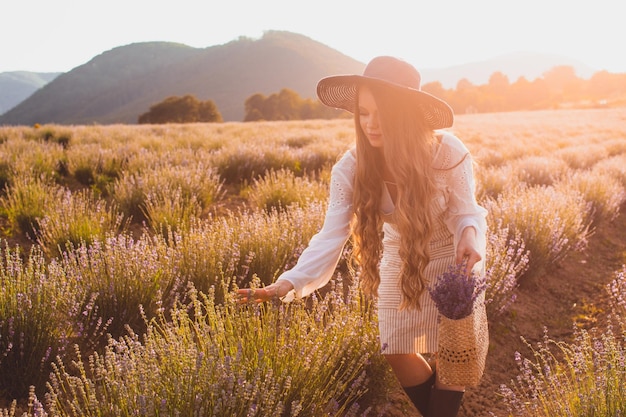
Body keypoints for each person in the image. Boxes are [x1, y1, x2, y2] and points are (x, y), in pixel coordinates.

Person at [237, 56, 487, 417]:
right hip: (401, 256)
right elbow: (330, 236)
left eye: (381, 113)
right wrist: (287, 283)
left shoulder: (446, 151)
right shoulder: (351, 167)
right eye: (363, 113)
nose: (370, 124)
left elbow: (467, 210)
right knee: (395, 349)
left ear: (405, 114)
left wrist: (469, 236)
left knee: (450, 350)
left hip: (454, 256)